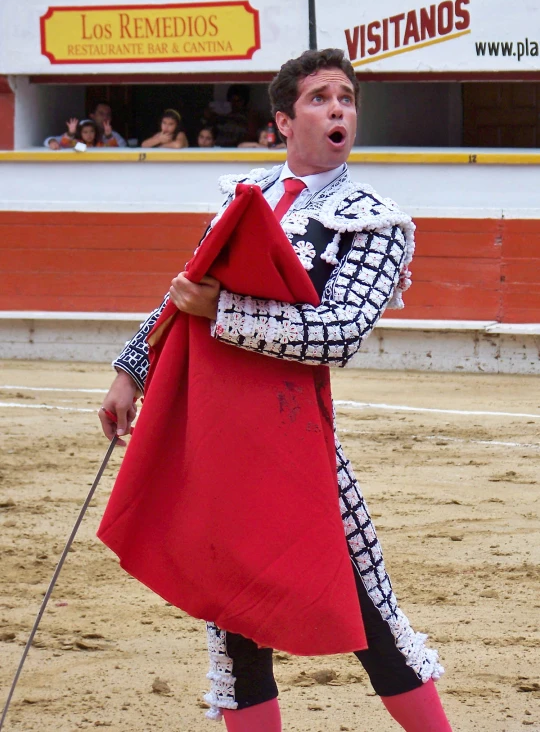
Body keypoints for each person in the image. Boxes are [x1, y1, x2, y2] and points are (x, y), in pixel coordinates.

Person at [98, 48, 452, 732]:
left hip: (297, 442)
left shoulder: (376, 220)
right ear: (285, 122)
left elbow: (339, 332)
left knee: (369, 614)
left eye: (346, 97)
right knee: (232, 626)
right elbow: (184, 292)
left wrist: (221, 315)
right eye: (320, 98)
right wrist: (131, 368)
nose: (339, 108)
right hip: (221, 434)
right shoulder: (247, 197)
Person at [45, 101, 126, 149]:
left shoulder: (110, 138)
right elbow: (60, 143)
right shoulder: (77, 143)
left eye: (108, 115)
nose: (105, 117)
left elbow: (120, 150)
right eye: (101, 114)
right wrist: (52, 142)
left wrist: (109, 136)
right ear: (92, 116)